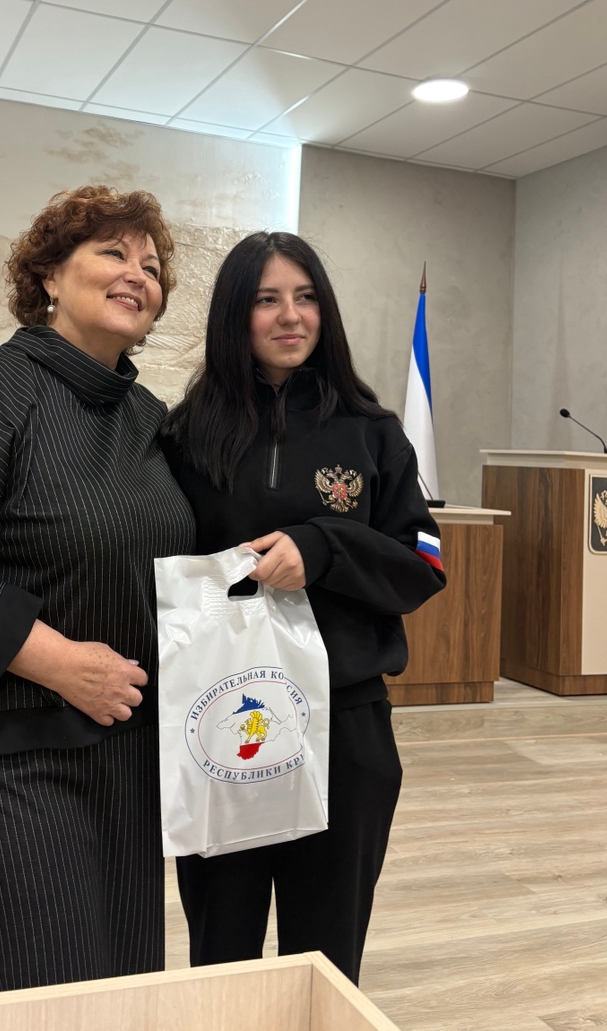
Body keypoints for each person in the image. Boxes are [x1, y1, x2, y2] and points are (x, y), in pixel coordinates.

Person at [0, 186, 194, 993]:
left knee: (124, 988)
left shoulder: (149, 416)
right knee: (53, 991)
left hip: (125, 750)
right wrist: (62, 664)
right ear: (49, 275)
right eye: (113, 253)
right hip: (1, 753)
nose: (138, 274)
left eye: (151, 265)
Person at [160, 231, 446, 984]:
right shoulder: (184, 434)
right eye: (267, 299)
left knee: (325, 959)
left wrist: (322, 546)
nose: (291, 316)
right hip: (223, 725)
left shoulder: (373, 432)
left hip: (344, 726)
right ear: (235, 315)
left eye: (307, 296)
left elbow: (424, 565)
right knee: (220, 954)